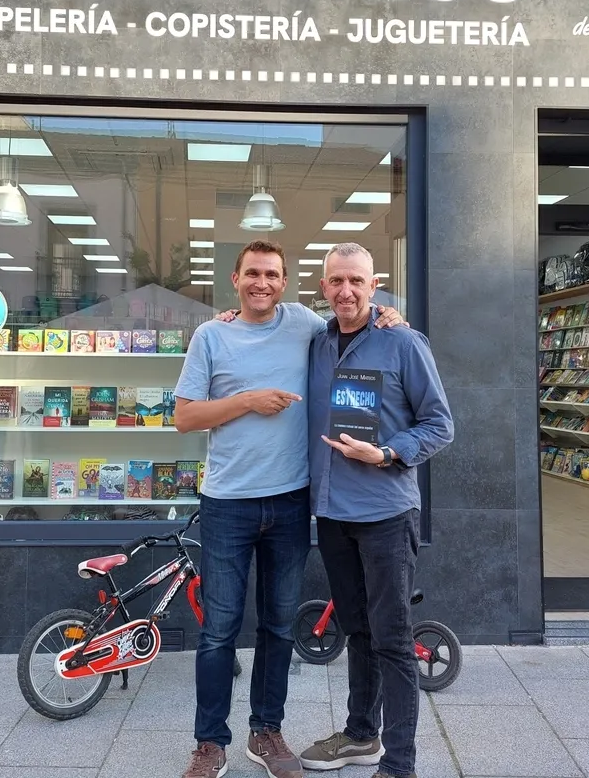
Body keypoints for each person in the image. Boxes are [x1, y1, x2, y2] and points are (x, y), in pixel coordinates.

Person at [174, 239, 403, 778]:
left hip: (290, 500)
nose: (262, 283)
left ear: (286, 282)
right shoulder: (211, 335)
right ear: (235, 279)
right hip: (227, 503)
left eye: (272, 275)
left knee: (278, 627)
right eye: (252, 273)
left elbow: (354, 316)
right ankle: (210, 743)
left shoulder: (304, 323)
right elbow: (184, 418)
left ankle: (266, 731)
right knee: (219, 630)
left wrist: (391, 314)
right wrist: (247, 401)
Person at [299, 242, 454, 778]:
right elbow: (265, 313)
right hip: (332, 513)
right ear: (324, 285)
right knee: (357, 631)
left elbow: (440, 425)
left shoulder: (403, 342)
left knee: (392, 639)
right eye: (336, 281)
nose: (346, 291)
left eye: (356, 281)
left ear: (374, 284)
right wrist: (228, 316)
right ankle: (360, 734)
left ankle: (399, 764)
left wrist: (387, 453)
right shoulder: (316, 343)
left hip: (386, 513)